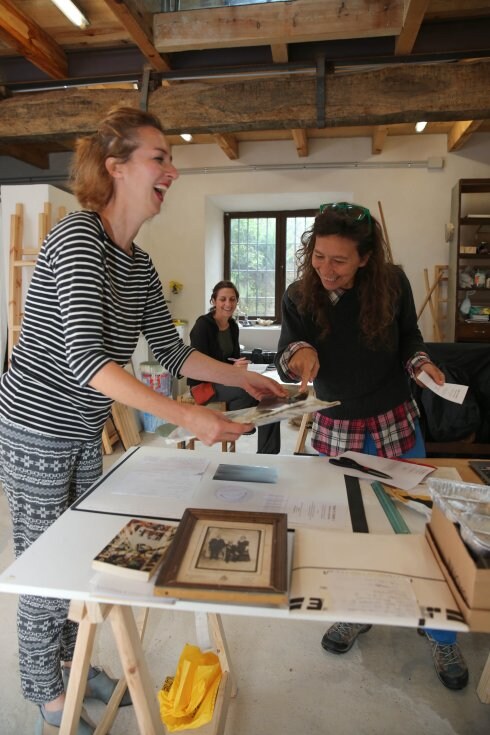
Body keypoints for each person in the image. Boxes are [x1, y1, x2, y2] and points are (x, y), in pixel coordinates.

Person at [0, 106, 287, 735]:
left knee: (81, 555)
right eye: (159, 158)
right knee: (47, 563)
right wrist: (189, 414)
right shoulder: (77, 237)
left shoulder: (139, 264)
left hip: (80, 429)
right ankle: (47, 695)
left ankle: (77, 663)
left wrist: (244, 377)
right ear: (117, 168)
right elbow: (85, 361)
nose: (172, 170)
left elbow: (173, 351)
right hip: (37, 427)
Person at [275, 201, 469, 691]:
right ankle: (356, 610)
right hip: (335, 427)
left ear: (365, 258)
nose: (326, 270)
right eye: (319, 256)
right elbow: (286, 347)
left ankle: (441, 631)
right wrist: (299, 356)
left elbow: (409, 340)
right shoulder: (300, 293)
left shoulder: (392, 284)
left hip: (393, 424)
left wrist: (421, 365)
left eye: (339, 260)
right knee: (346, 534)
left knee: (421, 529)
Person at [188, 280, 281, 454]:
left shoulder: (232, 326)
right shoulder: (203, 325)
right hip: (204, 386)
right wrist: (231, 370)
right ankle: (241, 422)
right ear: (214, 301)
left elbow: (233, 358)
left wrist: (238, 365)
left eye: (232, 299)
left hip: (228, 380)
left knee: (271, 397)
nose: (228, 304)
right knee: (246, 390)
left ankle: (268, 455)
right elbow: (197, 366)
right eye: (223, 299)